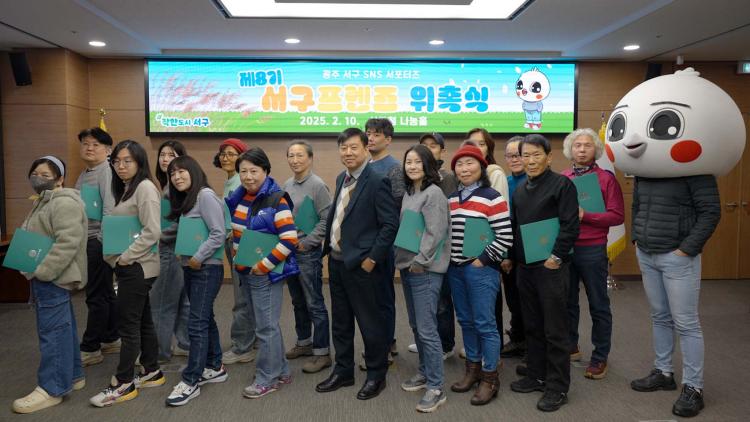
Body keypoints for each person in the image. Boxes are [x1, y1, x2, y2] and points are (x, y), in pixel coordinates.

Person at [628, 158, 721, 417]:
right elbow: (637, 205)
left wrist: (687, 249)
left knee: (686, 323)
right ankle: (663, 372)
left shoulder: (696, 169)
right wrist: (636, 238)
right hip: (647, 253)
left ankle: (693, 387)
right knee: (660, 316)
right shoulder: (645, 169)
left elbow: (711, 212)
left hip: (677, 257)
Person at [315, 128, 398, 401]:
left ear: (365, 148)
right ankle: (343, 371)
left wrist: (372, 259)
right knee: (341, 323)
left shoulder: (377, 180)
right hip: (338, 263)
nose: (348, 152)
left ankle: (376, 375)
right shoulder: (342, 177)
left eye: (353, 147)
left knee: (370, 323)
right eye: (343, 148)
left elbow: (389, 225)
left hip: (363, 267)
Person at [506, 134, 579, 412]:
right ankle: (536, 375)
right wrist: (511, 257)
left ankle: (558, 387)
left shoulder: (562, 185)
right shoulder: (520, 190)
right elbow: (515, 226)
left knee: (555, 329)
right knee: (533, 325)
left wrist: (555, 257)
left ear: (549, 157)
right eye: (526, 155)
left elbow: (570, 225)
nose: (531, 160)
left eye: (537, 155)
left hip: (551, 267)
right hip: (525, 267)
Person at [90, 140, 165, 407]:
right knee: (142, 321)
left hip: (137, 266)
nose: (120, 166)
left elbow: (152, 231)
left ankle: (123, 383)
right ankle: (151, 370)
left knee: (128, 326)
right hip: (133, 266)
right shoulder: (126, 188)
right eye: (116, 161)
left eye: (127, 161)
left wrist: (125, 258)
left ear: (139, 162)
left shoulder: (144, 188)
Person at [12, 156, 87, 414]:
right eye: (35, 173)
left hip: (53, 277)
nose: (39, 178)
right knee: (63, 329)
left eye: (45, 175)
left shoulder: (63, 203)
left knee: (52, 332)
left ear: (60, 178)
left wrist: (43, 271)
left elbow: (68, 243)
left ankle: (52, 388)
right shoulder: (43, 201)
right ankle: (73, 375)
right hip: (46, 276)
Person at [226, 147, 299, 399]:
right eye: (243, 171)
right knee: (267, 325)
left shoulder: (276, 199)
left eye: (254, 171)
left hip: (264, 274)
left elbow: (289, 239)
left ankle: (267, 378)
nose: (248, 176)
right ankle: (281, 371)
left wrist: (264, 265)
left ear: (266, 171)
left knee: (265, 328)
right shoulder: (239, 197)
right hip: (245, 271)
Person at [446, 143, 512, 406]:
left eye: (470, 163)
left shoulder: (492, 196)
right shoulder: (452, 198)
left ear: (482, 167)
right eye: (459, 165)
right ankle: (472, 369)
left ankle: (490, 377)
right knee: (466, 321)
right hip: (455, 269)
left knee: (485, 323)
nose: (464, 169)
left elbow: (505, 236)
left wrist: (481, 260)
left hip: (481, 269)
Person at [164, 156, 228, 406]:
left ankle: (191, 380)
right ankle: (215, 366)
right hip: (192, 267)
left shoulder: (205, 196)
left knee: (196, 322)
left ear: (194, 171)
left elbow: (218, 233)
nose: (176, 177)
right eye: (172, 173)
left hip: (206, 268)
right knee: (205, 318)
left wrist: (198, 257)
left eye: (181, 171)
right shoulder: (187, 199)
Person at [561, 128, 624, 379]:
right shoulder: (563, 178)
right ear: (570, 150)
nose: (582, 149)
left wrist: (587, 216)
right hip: (566, 248)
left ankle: (600, 357)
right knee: (567, 303)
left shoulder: (606, 179)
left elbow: (617, 216)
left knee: (598, 304)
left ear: (595, 150)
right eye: (577, 145)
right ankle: (571, 346)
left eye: (587, 145)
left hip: (592, 249)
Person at [395, 145, 451, 413]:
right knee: (417, 325)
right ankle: (425, 372)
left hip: (424, 269)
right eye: (409, 161)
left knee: (427, 328)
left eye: (418, 161)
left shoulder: (434, 193)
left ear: (428, 165)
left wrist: (420, 261)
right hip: (408, 266)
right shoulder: (410, 193)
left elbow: (435, 232)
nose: (412, 166)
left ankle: (436, 387)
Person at [282, 140, 333, 374]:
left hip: (307, 253)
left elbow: (326, 220)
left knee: (314, 303)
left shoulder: (318, 185)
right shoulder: (287, 184)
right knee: (297, 301)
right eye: (291, 155)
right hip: (289, 252)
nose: (295, 160)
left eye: (300, 155)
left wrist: (307, 243)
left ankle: (322, 353)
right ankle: (304, 342)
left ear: (310, 158)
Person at [407, 132, 457, 360]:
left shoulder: (442, 183)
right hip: (416, 253)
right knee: (423, 314)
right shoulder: (412, 186)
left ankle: (444, 348)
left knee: (440, 306)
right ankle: (428, 352)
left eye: (433, 146)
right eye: (424, 145)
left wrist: (422, 257)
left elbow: (438, 226)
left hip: (434, 256)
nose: (428, 149)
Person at [75, 128, 119, 367]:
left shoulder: (106, 172)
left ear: (108, 150)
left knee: (95, 295)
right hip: (88, 239)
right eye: (85, 143)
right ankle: (111, 337)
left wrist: (102, 242)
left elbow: (110, 209)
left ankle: (90, 347)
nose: (89, 148)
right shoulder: (85, 173)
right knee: (105, 292)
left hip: (99, 241)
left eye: (95, 144)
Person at [214, 138, 257, 365]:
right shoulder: (231, 181)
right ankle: (252, 340)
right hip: (232, 241)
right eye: (223, 154)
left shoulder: (241, 182)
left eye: (231, 154)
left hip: (238, 242)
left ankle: (242, 347)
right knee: (246, 293)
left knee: (242, 297)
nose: (226, 158)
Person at [364, 118, 401, 364]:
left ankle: (386, 345)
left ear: (388, 139)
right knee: (372, 299)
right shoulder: (365, 165)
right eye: (368, 133)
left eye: (376, 134)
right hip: (365, 243)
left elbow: (397, 207)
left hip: (383, 244)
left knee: (383, 298)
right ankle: (387, 341)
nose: (370, 138)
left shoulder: (394, 167)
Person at [151, 140, 190, 362]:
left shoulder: (177, 187)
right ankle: (185, 343)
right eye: (162, 154)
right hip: (176, 251)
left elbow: (181, 222)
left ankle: (158, 352)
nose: (165, 159)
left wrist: (156, 235)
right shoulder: (167, 185)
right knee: (181, 301)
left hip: (170, 250)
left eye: (171, 155)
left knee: (161, 303)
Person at [499, 136, 528, 359]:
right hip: (509, 251)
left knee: (529, 301)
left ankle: (531, 345)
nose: (514, 159)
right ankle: (518, 339)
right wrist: (506, 255)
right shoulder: (505, 183)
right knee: (513, 299)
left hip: (531, 252)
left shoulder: (534, 181)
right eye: (509, 156)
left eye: (518, 155)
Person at [466, 128, 509, 200]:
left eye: (481, 144)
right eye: (472, 144)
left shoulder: (496, 174)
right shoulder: (462, 175)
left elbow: (501, 205)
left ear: (488, 150)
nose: (477, 148)